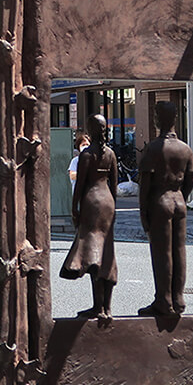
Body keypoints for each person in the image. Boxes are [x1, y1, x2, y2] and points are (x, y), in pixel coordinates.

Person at [137, 101, 193, 317]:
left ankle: (164, 299)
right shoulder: (185, 148)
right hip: (179, 200)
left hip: (160, 200)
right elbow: (190, 180)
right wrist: (182, 197)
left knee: (162, 253)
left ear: (158, 119)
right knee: (179, 250)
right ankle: (178, 298)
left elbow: (144, 185)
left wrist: (143, 212)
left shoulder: (153, 148)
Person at [60, 114, 118, 319]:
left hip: (92, 202)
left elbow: (80, 186)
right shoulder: (110, 154)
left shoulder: (86, 156)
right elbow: (115, 184)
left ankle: (98, 306)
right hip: (107, 203)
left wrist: (75, 208)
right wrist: (114, 208)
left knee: (94, 254)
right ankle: (107, 307)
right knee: (108, 252)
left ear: (91, 131)